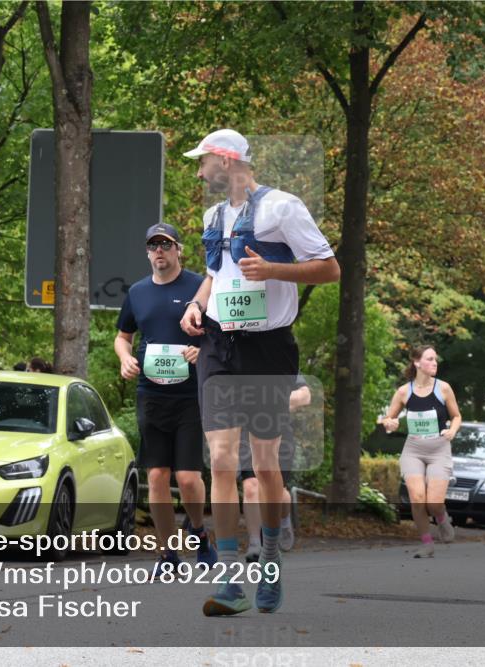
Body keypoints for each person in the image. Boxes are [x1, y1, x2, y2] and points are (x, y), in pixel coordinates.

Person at [180, 129, 339, 615]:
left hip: (268, 348)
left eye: (204, 161)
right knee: (222, 460)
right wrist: (195, 304)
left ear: (227, 161)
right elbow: (216, 273)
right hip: (218, 347)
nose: (200, 171)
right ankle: (230, 580)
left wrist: (273, 272)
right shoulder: (212, 215)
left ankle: (269, 562)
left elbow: (329, 268)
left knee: (266, 466)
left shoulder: (283, 208)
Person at [114, 222, 217, 575]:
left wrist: (200, 350)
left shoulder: (198, 287)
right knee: (157, 475)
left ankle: (200, 533)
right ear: (147, 252)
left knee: (187, 478)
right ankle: (168, 554)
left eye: (166, 244)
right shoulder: (138, 292)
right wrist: (125, 358)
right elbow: (122, 336)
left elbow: (220, 335)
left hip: (190, 396)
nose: (160, 251)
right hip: (151, 393)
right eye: (153, 245)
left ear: (178, 250)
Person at [380, 345, 462, 558]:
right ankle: (427, 543)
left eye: (436, 359)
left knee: (433, 503)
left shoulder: (443, 388)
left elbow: (456, 416)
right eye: (430, 359)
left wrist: (452, 430)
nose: (435, 363)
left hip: (439, 449)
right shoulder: (403, 392)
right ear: (417, 362)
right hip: (413, 450)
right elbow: (388, 418)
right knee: (417, 497)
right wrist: (391, 423)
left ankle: (442, 517)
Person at [239, 376, 310, 562]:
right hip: (246, 433)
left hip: (279, 432)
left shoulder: (278, 359)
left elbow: (305, 395)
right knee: (251, 485)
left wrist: (275, 401)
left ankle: (284, 520)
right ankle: (255, 543)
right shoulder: (236, 360)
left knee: (277, 490)